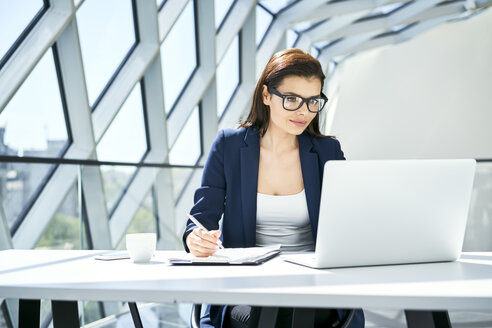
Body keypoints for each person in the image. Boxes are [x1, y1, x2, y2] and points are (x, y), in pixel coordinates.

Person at [182, 48, 364, 328]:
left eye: (313, 100)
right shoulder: (229, 146)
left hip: (315, 286)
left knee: (293, 313)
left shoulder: (327, 151)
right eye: (291, 99)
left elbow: (352, 221)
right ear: (266, 95)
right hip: (248, 289)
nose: (304, 111)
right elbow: (199, 221)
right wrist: (196, 238)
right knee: (270, 314)